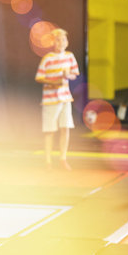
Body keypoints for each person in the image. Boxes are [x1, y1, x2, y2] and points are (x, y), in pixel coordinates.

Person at [35, 28, 80, 170]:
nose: (61, 42)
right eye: (58, 40)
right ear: (53, 42)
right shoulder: (47, 58)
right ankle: (48, 161)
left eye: (64, 40)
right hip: (50, 99)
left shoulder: (70, 56)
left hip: (65, 98)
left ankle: (63, 158)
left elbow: (74, 74)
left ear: (67, 42)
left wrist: (67, 75)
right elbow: (39, 77)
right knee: (50, 130)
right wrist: (54, 82)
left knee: (65, 128)